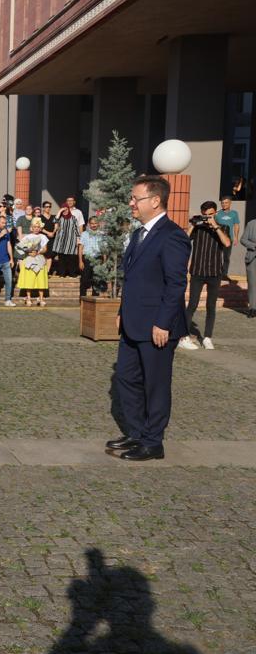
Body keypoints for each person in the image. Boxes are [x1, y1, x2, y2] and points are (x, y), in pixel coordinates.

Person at [106, 175, 189, 461]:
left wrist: (163, 323)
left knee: (155, 384)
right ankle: (137, 433)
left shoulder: (172, 235)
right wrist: (121, 312)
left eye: (135, 198)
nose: (131, 203)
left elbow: (176, 284)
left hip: (157, 326)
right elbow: (135, 280)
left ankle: (153, 442)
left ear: (155, 201)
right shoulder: (139, 233)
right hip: (132, 323)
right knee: (126, 379)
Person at [179, 201, 232, 351]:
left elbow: (227, 243)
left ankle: (207, 337)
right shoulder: (198, 228)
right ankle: (184, 336)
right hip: (198, 271)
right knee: (192, 305)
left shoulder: (224, 227)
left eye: (211, 214)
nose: (208, 217)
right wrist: (194, 225)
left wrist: (215, 226)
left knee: (211, 306)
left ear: (215, 213)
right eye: (206, 215)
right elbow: (183, 239)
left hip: (215, 272)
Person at [16, 230, 49, 306]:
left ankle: (41, 298)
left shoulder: (43, 236)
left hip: (39, 258)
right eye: (34, 227)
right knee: (29, 279)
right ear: (31, 228)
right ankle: (28, 297)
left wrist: (38, 252)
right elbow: (19, 247)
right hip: (29, 259)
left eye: (38, 227)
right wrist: (28, 252)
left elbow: (45, 249)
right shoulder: (27, 237)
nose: (36, 229)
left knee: (41, 280)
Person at [50, 201, 82, 276]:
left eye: (66, 209)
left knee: (71, 258)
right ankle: (62, 273)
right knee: (61, 258)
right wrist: (60, 211)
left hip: (71, 241)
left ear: (68, 209)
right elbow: (54, 221)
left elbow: (76, 229)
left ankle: (72, 273)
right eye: (63, 210)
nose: (65, 211)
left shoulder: (73, 218)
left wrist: (78, 239)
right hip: (61, 241)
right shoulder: (60, 218)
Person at [215, 196, 241, 280]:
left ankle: (224, 274)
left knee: (226, 257)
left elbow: (236, 225)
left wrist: (236, 237)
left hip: (229, 239)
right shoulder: (217, 213)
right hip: (217, 238)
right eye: (222, 203)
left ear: (230, 203)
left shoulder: (234, 213)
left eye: (226, 202)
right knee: (216, 256)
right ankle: (215, 273)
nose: (224, 204)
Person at [78, 215, 104, 296]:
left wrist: (104, 262)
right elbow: (80, 248)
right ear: (89, 224)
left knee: (97, 280)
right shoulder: (84, 234)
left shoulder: (102, 234)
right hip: (87, 259)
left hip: (98, 259)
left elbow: (104, 249)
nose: (94, 225)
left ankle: (95, 298)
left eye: (95, 223)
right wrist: (80, 261)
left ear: (98, 224)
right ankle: (82, 299)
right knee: (84, 280)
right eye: (92, 223)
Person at [240, 216, 256, 317]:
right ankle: (253, 308)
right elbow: (243, 240)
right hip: (252, 257)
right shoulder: (251, 223)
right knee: (253, 284)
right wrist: (253, 246)